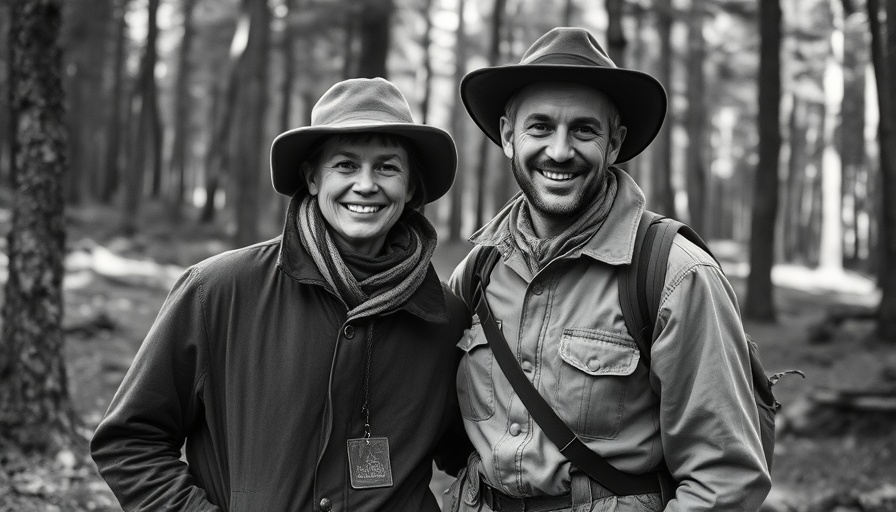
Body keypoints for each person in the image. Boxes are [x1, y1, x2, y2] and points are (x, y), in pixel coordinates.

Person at [91, 77, 471, 511]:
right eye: (345, 165)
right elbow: (129, 440)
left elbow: (480, 454)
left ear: (410, 187)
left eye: (387, 167)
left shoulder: (445, 319)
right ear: (312, 178)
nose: (366, 184)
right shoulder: (218, 291)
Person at [446, 27, 772, 511]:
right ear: (508, 136)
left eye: (584, 129)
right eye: (539, 128)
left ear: (614, 144)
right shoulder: (478, 272)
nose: (559, 151)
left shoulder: (674, 275)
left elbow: (724, 480)